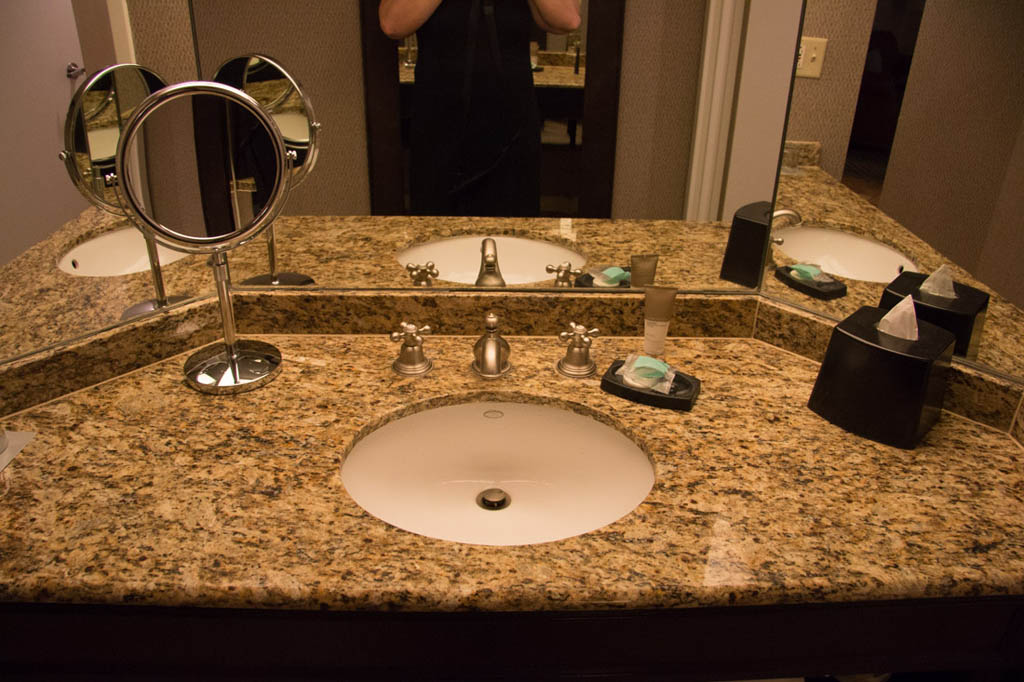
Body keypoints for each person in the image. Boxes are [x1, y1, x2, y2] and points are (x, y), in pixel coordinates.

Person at [380, 0, 581, 217]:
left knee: (514, 240)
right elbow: (393, 23)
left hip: (512, 132)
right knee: (436, 241)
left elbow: (567, 19)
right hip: (438, 129)